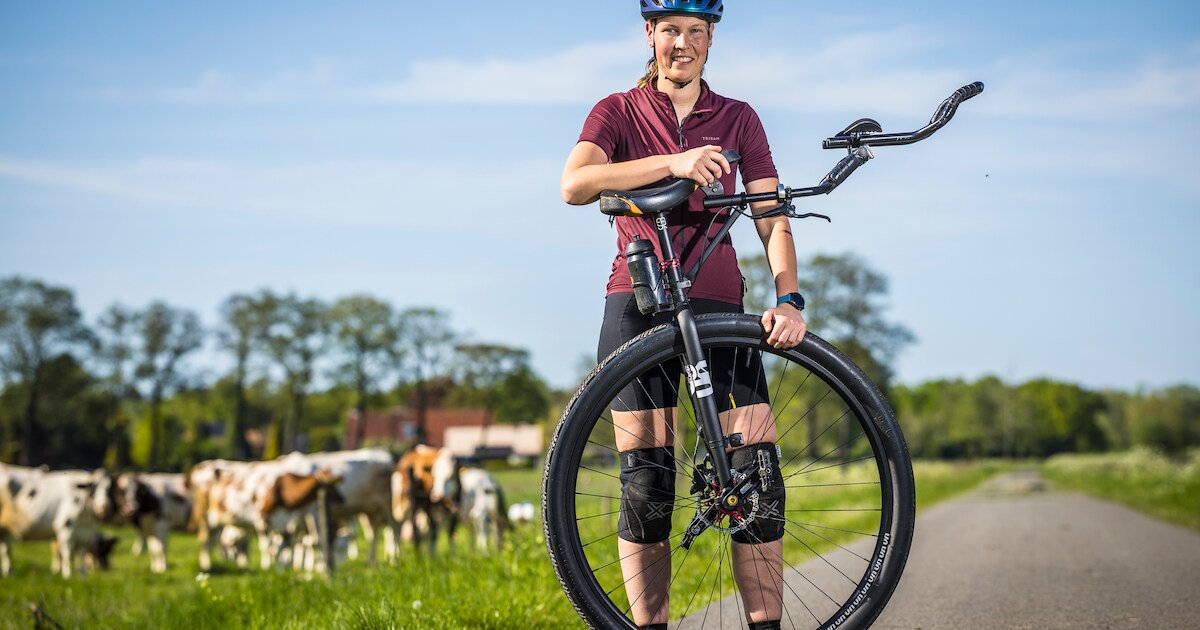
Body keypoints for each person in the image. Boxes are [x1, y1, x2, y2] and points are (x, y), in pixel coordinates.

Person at [559, 2, 806, 629]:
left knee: (758, 480)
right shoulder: (616, 110)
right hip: (637, 307)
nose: (684, 44)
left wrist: (788, 298)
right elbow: (575, 183)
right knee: (647, 483)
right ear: (651, 34)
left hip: (720, 304)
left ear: (711, 39)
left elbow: (771, 216)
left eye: (697, 32)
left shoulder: (739, 118)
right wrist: (674, 162)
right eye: (671, 31)